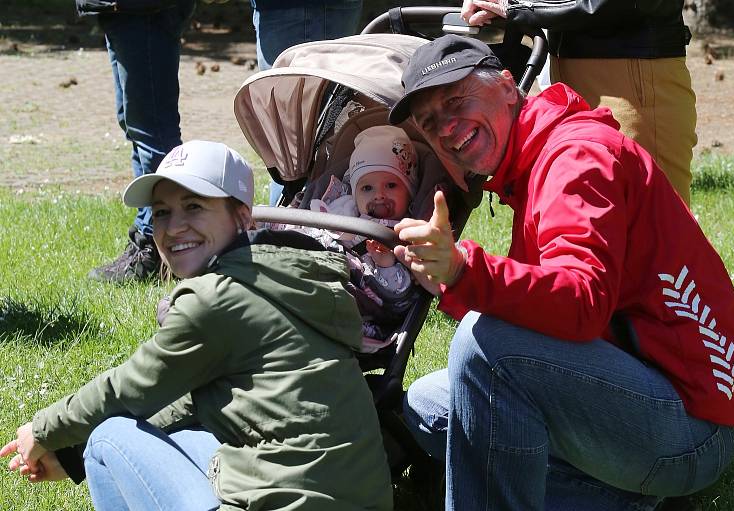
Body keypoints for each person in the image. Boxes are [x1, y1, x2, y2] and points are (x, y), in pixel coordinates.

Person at [387, 35, 734, 510]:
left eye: (455, 101)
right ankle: (617, 494)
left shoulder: (575, 158)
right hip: (641, 392)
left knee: (484, 347)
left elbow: (582, 304)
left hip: (692, 429)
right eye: (430, 122)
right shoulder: (532, 159)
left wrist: (463, 271)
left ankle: (629, 489)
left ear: (506, 86)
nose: (446, 128)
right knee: (429, 404)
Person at [2, 140, 393, 510]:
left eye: (193, 207)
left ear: (242, 216)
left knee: (107, 437)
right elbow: (188, 400)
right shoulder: (285, 276)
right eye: (161, 213)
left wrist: (43, 429)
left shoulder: (215, 298)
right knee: (184, 435)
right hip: (361, 499)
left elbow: (129, 389)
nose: (173, 228)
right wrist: (69, 457)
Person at [460, 0, 697, 206]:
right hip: (571, 70)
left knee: (652, 218)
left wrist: (521, 7)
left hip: (632, 75)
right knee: (581, 211)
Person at [270, 125, 421, 352]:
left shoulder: (405, 236)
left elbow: (401, 302)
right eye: (367, 188)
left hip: (350, 297)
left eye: (391, 185)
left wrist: (387, 264)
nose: (379, 195)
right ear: (355, 192)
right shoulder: (343, 210)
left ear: (409, 192)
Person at [77, 0, 195, 283]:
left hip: (144, 9)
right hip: (124, 8)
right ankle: (150, 235)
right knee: (134, 124)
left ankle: (161, 247)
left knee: (152, 130)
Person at [249, 0, 364, 206]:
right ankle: (288, 225)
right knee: (291, 146)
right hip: (290, 10)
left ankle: (291, 229)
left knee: (294, 152)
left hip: (303, 9)